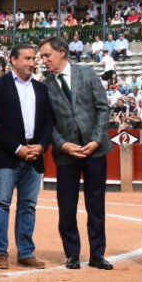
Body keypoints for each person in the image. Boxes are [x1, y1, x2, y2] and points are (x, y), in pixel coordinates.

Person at [39, 35, 112, 269]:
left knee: (96, 204)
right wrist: (62, 145)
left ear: (61, 52)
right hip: (66, 153)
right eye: (42, 56)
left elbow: (103, 108)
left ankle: (97, 254)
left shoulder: (87, 73)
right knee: (67, 206)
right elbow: (47, 122)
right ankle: (72, 253)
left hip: (95, 151)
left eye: (47, 55)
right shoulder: (45, 85)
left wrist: (96, 140)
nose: (43, 60)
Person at [0, 43, 54, 269]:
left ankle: (26, 252)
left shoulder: (41, 89)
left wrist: (42, 146)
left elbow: (48, 123)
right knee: (1, 203)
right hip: (8, 154)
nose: (31, 62)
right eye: (26, 58)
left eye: (33, 58)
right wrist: (17, 148)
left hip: (35, 155)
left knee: (28, 205)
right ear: (13, 60)